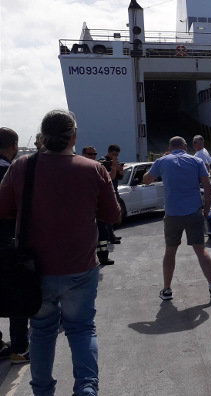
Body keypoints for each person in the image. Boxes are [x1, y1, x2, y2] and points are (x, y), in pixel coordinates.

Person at [0, 110, 121, 396]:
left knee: (42, 332)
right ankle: (87, 390)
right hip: (80, 267)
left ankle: (42, 391)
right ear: (73, 136)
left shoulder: (21, 168)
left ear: (41, 137)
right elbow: (113, 216)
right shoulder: (93, 169)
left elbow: (3, 210)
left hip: (35, 270)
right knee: (82, 330)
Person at [143, 136, 211, 302]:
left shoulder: (163, 161)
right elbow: (208, 187)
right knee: (201, 250)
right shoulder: (196, 161)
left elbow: (146, 180)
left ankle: (167, 290)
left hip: (173, 214)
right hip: (194, 211)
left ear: (170, 148)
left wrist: (159, 162)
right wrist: (206, 210)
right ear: (185, 146)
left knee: (170, 251)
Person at [0, 127, 30, 365]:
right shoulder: (10, 172)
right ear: (12, 147)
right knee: (16, 295)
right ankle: (19, 349)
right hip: (7, 241)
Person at [82, 146, 115, 266]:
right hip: (86, 207)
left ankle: (103, 257)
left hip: (98, 206)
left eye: (94, 154)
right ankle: (90, 258)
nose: (93, 156)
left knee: (103, 233)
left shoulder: (99, 167)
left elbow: (109, 180)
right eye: (90, 154)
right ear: (83, 154)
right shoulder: (81, 167)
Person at [99, 145, 123, 245]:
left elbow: (119, 178)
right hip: (107, 191)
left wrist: (120, 171)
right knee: (108, 215)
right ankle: (109, 236)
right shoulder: (103, 161)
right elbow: (108, 177)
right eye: (114, 154)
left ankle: (111, 234)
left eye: (117, 155)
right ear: (109, 152)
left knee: (113, 214)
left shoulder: (115, 162)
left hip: (114, 189)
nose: (115, 157)